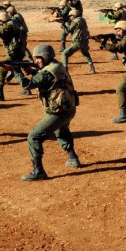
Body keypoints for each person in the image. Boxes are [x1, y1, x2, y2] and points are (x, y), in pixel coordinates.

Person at [20, 44, 81, 180]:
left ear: (46, 57)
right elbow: (46, 78)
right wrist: (33, 71)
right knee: (61, 131)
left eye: (38, 58)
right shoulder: (55, 65)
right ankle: (73, 158)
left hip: (59, 111)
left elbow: (28, 85)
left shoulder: (48, 71)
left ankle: (38, 171)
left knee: (33, 137)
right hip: (69, 108)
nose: (36, 61)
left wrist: (15, 71)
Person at [0, 11, 28, 100]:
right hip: (19, 51)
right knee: (16, 69)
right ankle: (27, 88)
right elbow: (2, 33)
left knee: (1, 70)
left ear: (2, 21)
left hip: (14, 53)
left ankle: (0, 94)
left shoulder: (9, 25)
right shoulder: (12, 23)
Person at [61, 8, 96, 73]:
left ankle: (65, 70)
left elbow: (68, 30)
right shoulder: (82, 19)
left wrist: (63, 24)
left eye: (71, 16)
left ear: (74, 16)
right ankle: (92, 67)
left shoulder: (76, 21)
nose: (70, 18)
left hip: (78, 42)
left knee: (64, 53)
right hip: (85, 41)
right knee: (85, 53)